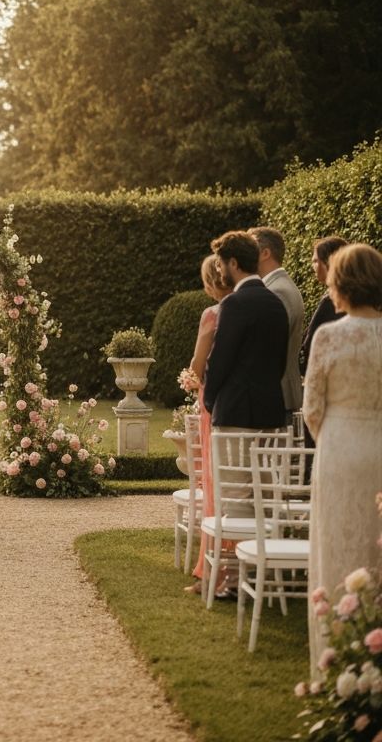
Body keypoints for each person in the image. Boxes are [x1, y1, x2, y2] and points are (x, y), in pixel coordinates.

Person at [303, 243, 382, 677]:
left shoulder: (329, 336)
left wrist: (333, 438)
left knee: (335, 549)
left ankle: (335, 662)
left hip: (339, 447)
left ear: (340, 283)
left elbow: (312, 408)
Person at [204, 230, 289, 431]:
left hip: (236, 414)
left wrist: (210, 401)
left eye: (220, 264)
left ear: (233, 263)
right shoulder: (276, 303)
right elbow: (280, 362)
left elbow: (219, 360)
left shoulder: (233, 303)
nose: (219, 270)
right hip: (271, 414)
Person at [184, 254, 233, 594]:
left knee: (214, 481)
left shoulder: (212, 314)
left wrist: (192, 378)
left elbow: (197, 365)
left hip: (213, 404)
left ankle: (212, 567)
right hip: (238, 404)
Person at [249, 226, 305, 422]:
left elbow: (268, 346)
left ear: (265, 253)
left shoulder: (277, 291)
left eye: (250, 248)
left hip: (277, 396)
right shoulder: (274, 287)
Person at [298, 235, 348, 376]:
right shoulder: (355, 295)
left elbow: (310, 346)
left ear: (327, 262)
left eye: (315, 261)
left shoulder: (331, 300)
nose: (313, 266)